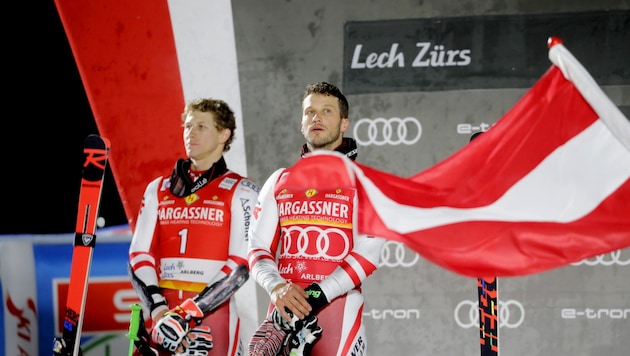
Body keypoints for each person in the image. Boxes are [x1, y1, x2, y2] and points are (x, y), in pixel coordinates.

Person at [247, 82, 386, 355]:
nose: (316, 118)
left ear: (344, 123)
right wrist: (276, 288)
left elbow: (369, 254)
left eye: (326, 111)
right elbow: (257, 248)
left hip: (337, 313)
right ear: (301, 123)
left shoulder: (366, 183)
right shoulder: (279, 180)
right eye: (309, 112)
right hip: (284, 312)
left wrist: (314, 295)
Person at [128, 97, 259, 356]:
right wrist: (159, 310)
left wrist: (187, 313)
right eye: (188, 127)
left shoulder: (242, 190)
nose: (191, 134)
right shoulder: (158, 188)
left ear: (224, 135)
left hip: (211, 317)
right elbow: (138, 254)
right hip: (161, 317)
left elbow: (240, 266)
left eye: (202, 126)